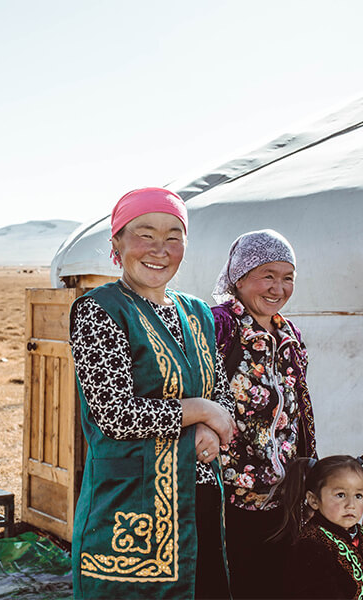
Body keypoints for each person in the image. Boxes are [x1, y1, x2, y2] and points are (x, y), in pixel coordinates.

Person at [69, 187, 237, 599]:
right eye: (145, 234)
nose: (159, 249)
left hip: (197, 498)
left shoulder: (198, 313)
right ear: (117, 244)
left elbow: (224, 399)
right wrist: (198, 410)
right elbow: (115, 413)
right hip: (131, 505)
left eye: (173, 236)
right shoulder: (100, 310)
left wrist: (213, 429)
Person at [210, 229, 317, 599]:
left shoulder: (289, 334)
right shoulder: (218, 326)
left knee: (278, 585)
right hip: (232, 496)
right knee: (236, 586)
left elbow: (299, 408)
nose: (278, 288)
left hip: (285, 494)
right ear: (239, 278)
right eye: (267, 275)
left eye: (288, 277)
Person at [275, 454, 363, 599]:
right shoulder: (311, 544)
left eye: (358, 496)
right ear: (314, 500)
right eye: (340, 495)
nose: (351, 505)